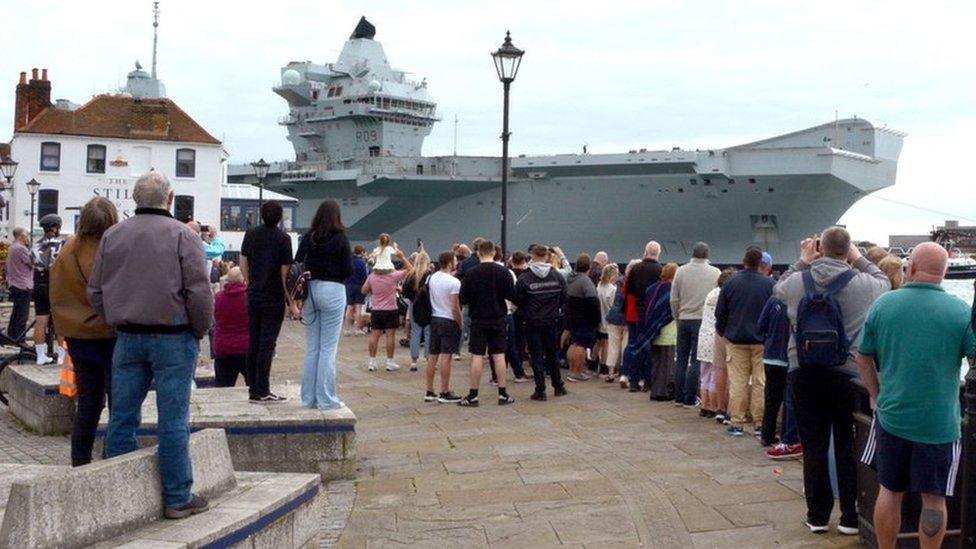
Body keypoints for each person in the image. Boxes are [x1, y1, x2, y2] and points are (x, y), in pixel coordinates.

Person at [88, 171, 212, 519]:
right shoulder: (183, 237)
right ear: (169, 199)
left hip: (127, 336)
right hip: (173, 336)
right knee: (173, 420)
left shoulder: (113, 236)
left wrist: (114, 317)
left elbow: (95, 292)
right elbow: (199, 292)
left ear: (134, 198)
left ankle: (118, 496)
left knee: (122, 417)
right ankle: (176, 497)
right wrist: (198, 331)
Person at [856, 242, 974, 548]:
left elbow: (863, 356)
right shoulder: (961, 312)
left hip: (892, 416)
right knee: (934, 499)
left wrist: (875, 394)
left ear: (910, 267)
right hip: (939, 424)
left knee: (889, 490)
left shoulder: (885, 305)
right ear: (945, 273)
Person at [774, 226, 889, 535]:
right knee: (847, 445)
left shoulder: (798, 281)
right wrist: (857, 256)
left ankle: (818, 515)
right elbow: (886, 280)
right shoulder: (865, 283)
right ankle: (850, 516)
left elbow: (778, 288)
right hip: (848, 375)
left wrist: (802, 259)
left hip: (804, 372)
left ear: (819, 248)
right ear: (848, 250)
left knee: (813, 446)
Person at [50, 197, 118, 466]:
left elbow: (58, 292)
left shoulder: (68, 250)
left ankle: (79, 460)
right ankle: (114, 457)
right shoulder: (110, 248)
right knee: (119, 403)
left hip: (78, 335)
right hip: (109, 334)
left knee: (88, 403)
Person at [295, 199, 353, 409]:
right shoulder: (340, 239)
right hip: (334, 290)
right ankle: (326, 399)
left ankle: (308, 398)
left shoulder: (309, 237)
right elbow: (348, 270)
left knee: (312, 348)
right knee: (328, 348)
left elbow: (298, 260)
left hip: (310, 290)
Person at [714, 247, 774, 437]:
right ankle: (759, 423)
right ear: (761, 263)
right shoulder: (769, 284)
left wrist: (724, 332)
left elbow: (720, 313)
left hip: (736, 339)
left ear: (743, 261)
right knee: (760, 382)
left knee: (738, 382)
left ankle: (737, 422)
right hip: (762, 341)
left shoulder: (731, 284)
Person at [240, 201, 295, 403]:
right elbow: (284, 273)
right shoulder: (284, 239)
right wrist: (291, 301)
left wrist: (250, 282)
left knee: (253, 341)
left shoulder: (251, 233)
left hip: (254, 294)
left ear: (261, 215)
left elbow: (243, 261)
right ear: (280, 217)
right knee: (267, 344)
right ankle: (263, 390)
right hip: (273, 296)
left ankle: (253, 388)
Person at [458, 240, 515, 406]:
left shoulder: (471, 273)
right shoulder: (504, 272)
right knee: (498, 355)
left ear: (478, 253)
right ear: (494, 253)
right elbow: (511, 295)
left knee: (477, 356)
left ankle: (473, 394)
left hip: (478, 318)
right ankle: (503, 393)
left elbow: (463, 299)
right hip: (498, 317)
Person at [670, 242, 720, 407]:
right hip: (703, 321)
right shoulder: (715, 273)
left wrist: (677, 317)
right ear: (707, 255)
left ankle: (678, 397)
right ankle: (690, 398)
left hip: (684, 318)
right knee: (697, 360)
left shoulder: (680, 271)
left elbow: (673, 299)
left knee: (681, 359)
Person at [515, 245, 568, 401]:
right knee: (552, 353)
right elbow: (564, 298)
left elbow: (518, 300)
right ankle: (558, 386)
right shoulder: (557, 276)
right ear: (547, 256)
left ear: (531, 256)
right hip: (552, 320)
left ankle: (540, 390)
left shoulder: (524, 278)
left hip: (532, 321)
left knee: (536, 355)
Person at [758, 294, 802, 459]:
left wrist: (768, 340)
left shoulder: (774, 299)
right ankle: (786, 437)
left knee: (771, 398)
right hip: (790, 358)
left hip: (771, 355)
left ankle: (766, 435)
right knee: (789, 399)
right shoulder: (799, 299)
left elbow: (761, 325)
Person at [362, 246, 413, 371]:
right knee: (390, 335)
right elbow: (411, 270)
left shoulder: (372, 277)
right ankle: (390, 362)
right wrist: (401, 256)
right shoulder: (393, 275)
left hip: (376, 309)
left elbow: (363, 291)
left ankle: (372, 362)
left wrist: (373, 290)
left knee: (374, 335)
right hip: (391, 309)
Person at [423, 251, 463, 403]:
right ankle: (444, 391)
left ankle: (429, 390)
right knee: (446, 357)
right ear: (449, 263)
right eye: (454, 260)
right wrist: (460, 323)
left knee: (433, 356)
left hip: (435, 318)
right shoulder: (454, 282)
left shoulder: (431, 278)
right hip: (448, 320)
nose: (456, 262)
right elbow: (455, 307)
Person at [623, 241, 664, 391]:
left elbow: (628, 291)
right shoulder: (660, 270)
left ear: (645, 251)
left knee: (637, 345)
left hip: (639, 312)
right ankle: (648, 381)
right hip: (653, 314)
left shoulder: (636, 269)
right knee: (651, 348)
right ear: (658, 254)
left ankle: (633, 381)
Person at [32, 213, 67, 365]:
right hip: (54, 284)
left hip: (38, 284)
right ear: (55, 228)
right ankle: (61, 355)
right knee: (59, 321)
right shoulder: (61, 245)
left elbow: (31, 262)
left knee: (41, 320)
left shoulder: (35, 245)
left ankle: (40, 355)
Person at [641, 263, 678, 400]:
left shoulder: (651, 289)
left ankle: (654, 390)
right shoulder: (672, 290)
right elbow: (672, 310)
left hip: (653, 329)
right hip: (668, 329)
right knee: (667, 363)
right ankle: (664, 392)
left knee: (656, 362)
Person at [564, 254, 602, 382]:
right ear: (589, 266)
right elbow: (592, 301)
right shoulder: (585, 281)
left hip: (572, 316)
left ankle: (571, 370)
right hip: (585, 318)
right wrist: (596, 319)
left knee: (574, 343)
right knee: (581, 345)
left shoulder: (570, 278)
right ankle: (577, 372)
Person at [213, 267, 249, 387]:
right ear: (243, 279)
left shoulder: (218, 298)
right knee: (253, 386)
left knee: (222, 389)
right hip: (246, 347)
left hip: (224, 348)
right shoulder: (249, 297)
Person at [403, 250, 432, 371]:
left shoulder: (410, 274)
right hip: (428, 305)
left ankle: (414, 361)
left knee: (415, 332)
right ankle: (429, 358)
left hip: (414, 305)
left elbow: (404, 293)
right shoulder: (430, 274)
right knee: (428, 332)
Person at [506, 252, 532, 383]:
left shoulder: (508, 273)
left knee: (509, 342)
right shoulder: (526, 276)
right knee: (520, 341)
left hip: (510, 311)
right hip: (522, 312)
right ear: (523, 261)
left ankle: (499, 373)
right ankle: (519, 368)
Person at [5, 227, 32, 342]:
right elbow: (32, 263)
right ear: (21, 236)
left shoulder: (12, 247)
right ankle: (20, 339)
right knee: (22, 314)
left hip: (14, 283)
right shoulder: (21, 249)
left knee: (15, 313)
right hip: (23, 284)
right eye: (26, 235)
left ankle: (11, 336)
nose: (28, 238)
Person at [597, 263, 621, 380]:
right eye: (616, 274)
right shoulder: (613, 289)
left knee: (599, 344)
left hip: (599, 320)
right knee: (608, 346)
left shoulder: (599, 286)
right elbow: (613, 306)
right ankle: (605, 368)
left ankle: (592, 365)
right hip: (609, 321)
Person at [344, 246, 369, 335]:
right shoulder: (361, 263)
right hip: (359, 286)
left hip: (349, 286)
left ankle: (346, 329)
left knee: (349, 307)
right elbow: (364, 276)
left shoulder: (349, 261)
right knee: (358, 307)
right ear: (362, 252)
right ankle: (357, 329)